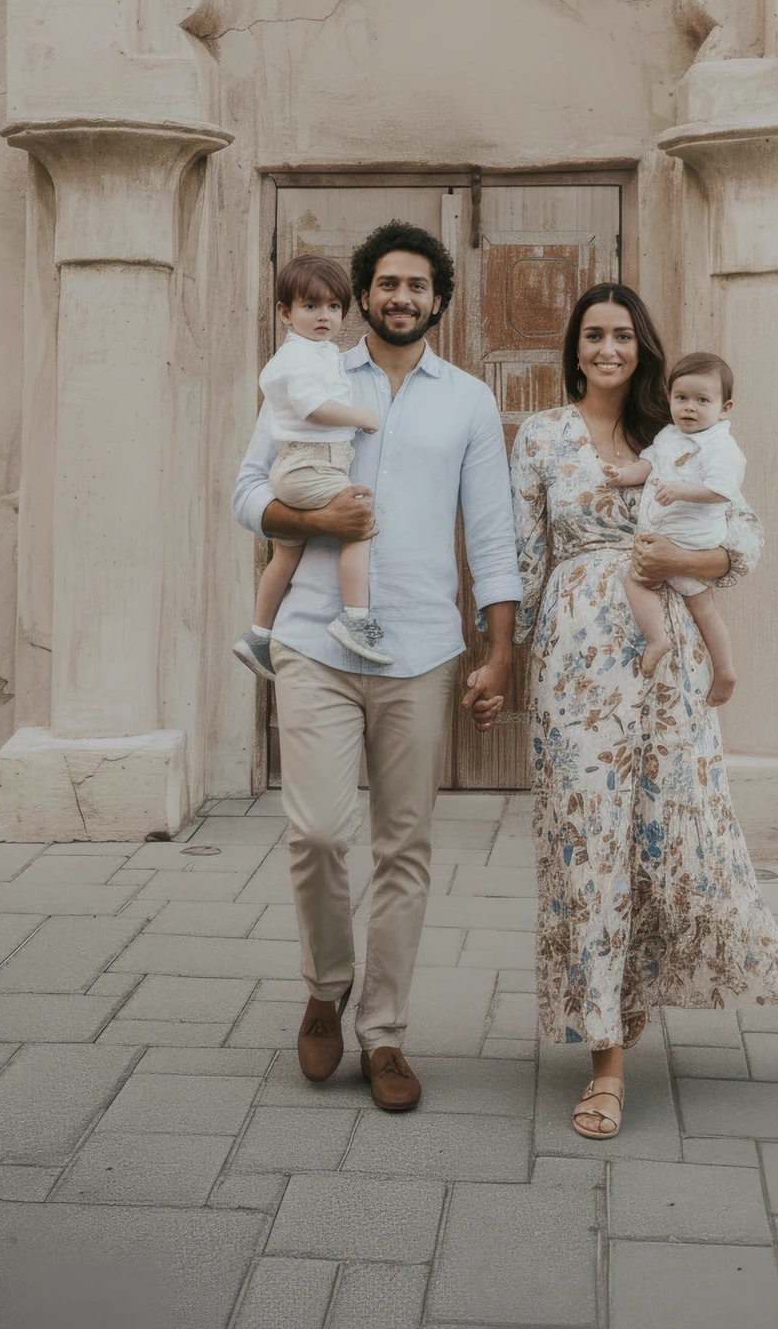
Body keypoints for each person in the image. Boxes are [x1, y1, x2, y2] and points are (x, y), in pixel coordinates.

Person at [232, 220, 520, 1113]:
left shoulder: (467, 400)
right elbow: (247, 494)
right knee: (317, 833)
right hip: (315, 639)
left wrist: (499, 648)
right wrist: (316, 525)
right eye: (386, 284)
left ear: (440, 298)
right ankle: (327, 984)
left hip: (422, 650)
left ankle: (385, 1033)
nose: (402, 297)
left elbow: (492, 529)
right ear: (364, 295)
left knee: (405, 846)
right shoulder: (310, 372)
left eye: (418, 286)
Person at [510, 283, 778, 1143]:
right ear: (575, 347)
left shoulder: (676, 432)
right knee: (589, 840)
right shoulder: (539, 434)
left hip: (663, 653)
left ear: (642, 345)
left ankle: (640, 996)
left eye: (622, 336)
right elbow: (527, 555)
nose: (608, 349)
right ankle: (604, 1055)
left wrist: (691, 554)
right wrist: (511, 657)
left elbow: (741, 540)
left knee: (669, 834)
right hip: (574, 659)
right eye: (593, 335)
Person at [232, 255, 392, 678]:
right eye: (310, 307)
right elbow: (312, 407)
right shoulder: (299, 357)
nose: (324, 316)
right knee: (357, 523)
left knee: (286, 555)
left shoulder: (316, 352)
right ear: (285, 313)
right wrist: (362, 416)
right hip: (311, 466)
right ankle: (355, 618)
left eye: (334, 308)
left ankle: (258, 635)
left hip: (298, 466)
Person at [601, 350, 744, 701]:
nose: (689, 408)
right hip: (662, 535)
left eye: (702, 401)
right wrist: (622, 475)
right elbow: (648, 464)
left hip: (692, 542)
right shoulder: (669, 436)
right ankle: (663, 640)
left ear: (724, 408)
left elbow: (722, 492)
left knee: (692, 603)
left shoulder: (722, 447)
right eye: (681, 399)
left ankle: (718, 667)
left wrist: (681, 491)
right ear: (670, 399)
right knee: (663, 592)